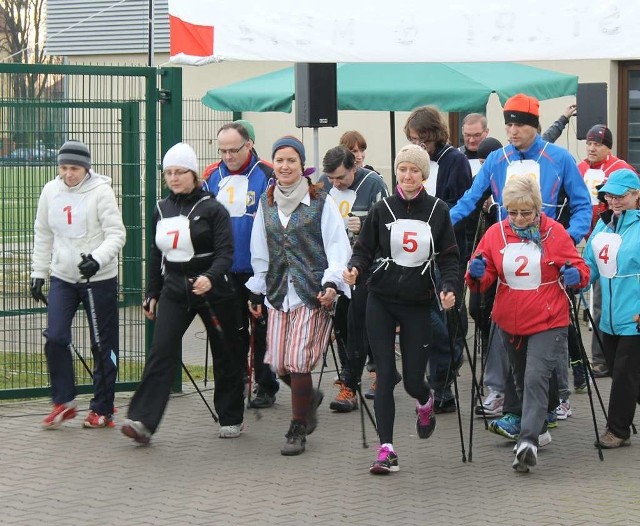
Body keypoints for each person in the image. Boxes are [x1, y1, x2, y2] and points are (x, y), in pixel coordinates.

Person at [344, 144, 459, 474]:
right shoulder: (383, 209)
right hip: (380, 299)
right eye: (402, 170)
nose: (407, 176)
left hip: (416, 303)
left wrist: (449, 289)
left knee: (412, 382)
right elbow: (364, 249)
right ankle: (387, 450)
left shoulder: (438, 211)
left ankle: (425, 402)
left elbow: (450, 258)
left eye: (414, 170)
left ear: (423, 175)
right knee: (383, 373)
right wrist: (354, 268)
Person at [122, 143, 245, 444]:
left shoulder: (213, 209)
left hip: (213, 290)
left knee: (226, 353)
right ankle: (142, 421)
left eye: (180, 172)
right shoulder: (161, 208)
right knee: (160, 351)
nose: (174, 178)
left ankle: (230, 416)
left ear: (193, 174)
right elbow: (156, 254)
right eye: (169, 173)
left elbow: (226, 253)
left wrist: (211, 277)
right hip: (176, 289)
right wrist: (152, 291)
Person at [467, 175, 589, 472]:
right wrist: (476, 273)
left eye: (526, 212)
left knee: (535, 376)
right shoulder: (497, 234)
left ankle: (527, 442)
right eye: (512, 212)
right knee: (522, 378)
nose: (519, 219)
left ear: (537, 208)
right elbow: (481, 281)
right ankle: (540, 426)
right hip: (510, 319)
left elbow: (580, 269)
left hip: (549, 318)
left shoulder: (554, 233)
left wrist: (577, 277)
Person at [246, 136, 351, 456]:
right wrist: (257, 288)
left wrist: (332, 283)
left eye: (291, 160)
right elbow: (260, 248)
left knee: (297, 360)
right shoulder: (267, 202)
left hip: (311, 292)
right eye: (279, 160)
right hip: (279, 291)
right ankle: (309, 397)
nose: (284, 166)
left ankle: (297, 427)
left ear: (301, 165)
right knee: (278, 364)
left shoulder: (320, 201)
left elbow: (337, 245)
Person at [30, 140, 126, 429]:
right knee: (56, 337)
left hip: (98, 279)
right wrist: (39, 272)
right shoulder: (51, 191)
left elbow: (116, 234)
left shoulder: (101, 192)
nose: (68, 174)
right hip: (64, 277)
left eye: (74, 168)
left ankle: (102, 408)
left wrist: (97, 259)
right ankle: (64, 401)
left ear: (86, 167)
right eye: (63, 168)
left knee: (102, 344)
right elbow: (43, 232)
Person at [202, 121, 279, 409]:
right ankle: (237, 381)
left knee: (262, 330)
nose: (228, 156)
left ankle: (266, 383)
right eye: (222, 150)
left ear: (249, 145)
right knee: (232, 331)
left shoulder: (267, 174)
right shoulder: (211, 175)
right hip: (224, 269)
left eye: (233, 150)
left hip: (258, 269)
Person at [405, 106, 473, 413]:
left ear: (434, 135)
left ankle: (445, 380)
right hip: (418, 255)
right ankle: (440, 382)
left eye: (422, 140)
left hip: (448, 251)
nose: (418, 145)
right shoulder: (412, 162)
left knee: (451, 318)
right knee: (433, 323)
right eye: (413, 140)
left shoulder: (454, 161)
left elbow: (465, 204)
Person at [318, 146, 389, 412]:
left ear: (354, 168)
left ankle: (359, 379)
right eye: (332, 178)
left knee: (361, 326)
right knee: (342, 326)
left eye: (341, 178)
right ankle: (352, 377)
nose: (335, 183)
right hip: (336, 268)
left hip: (365, 268)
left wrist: (365, 221)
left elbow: (388, 223)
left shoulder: (374, 184)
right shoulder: (324, 185)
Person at [583, 168, 640, 449]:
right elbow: (590, 262)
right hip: (608, 318)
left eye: (621, 196)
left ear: (636, 195)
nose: (614, 201)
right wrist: (576, 281)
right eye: (610, 195)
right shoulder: (603, 225)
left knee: (624, 374)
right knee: (627, 375)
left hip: (635, 316)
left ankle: (617, 430)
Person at [578, 124, 637, 378]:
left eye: (598, 144)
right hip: (594, 239)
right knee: (599, 306)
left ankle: (604, 362)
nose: (592, 148)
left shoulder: (622, 169)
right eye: (589, 143)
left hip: (620, 246)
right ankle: (601, 359)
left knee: (606, 303)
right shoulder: (581, 169)